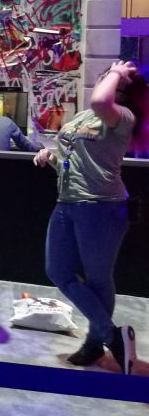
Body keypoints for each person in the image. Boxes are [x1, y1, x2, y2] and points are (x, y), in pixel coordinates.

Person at [32, 60, 147, 375]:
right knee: (58, 271)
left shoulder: (122, 116)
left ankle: (95, 343)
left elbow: (100, 100)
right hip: (67, 203)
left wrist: (117, 73)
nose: (107, 75)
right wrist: (52, 158)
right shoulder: (85, 116)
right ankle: (113, 337)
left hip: (101, 207)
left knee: (98, 279)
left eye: (113, 75)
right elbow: (78, 160)